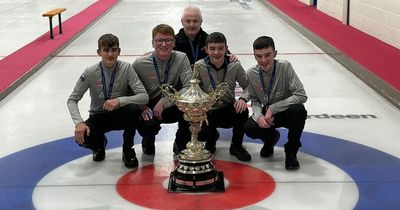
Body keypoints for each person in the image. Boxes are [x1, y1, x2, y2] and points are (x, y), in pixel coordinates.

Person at [67, 34, 149, 168]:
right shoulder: (90, 72)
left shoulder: (126, 68)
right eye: (106, 50)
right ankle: (99, 145)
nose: (110, 54)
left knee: (133, 110)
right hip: (99, 116)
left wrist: (120, 101)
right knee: (82, 137)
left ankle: (128, 150)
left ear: (119, 51)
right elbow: (72, 99)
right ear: (99, 52)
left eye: (114, 50)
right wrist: (79, 122)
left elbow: (144, 96)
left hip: (120, 114)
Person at [243, 36, 307, 170]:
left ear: (275, 54)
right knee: (249, 127)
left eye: (267, 55)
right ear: (254, 56)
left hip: (286, 112)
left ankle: (291, 151)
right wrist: (259, 116)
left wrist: (274, 108)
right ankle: (270, 139)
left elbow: (301, 95)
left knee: (299, 111)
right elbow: (254, 99)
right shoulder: (251, 73)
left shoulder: (285, 67)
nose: (263, 60)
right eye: (259, 56)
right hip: (268, 115)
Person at [132, 24, 193, 155]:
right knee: (147, 125)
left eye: (168, 40)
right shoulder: (139, 63)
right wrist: (141, 107)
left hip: (173, 103)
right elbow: (131, 92)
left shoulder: (182, 58)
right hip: (149, 106)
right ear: (152, 43)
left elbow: (189, 87)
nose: (164, 45)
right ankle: (148, 138)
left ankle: (181, 141)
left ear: (174, 43)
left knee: (190, 110)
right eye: (159, 40)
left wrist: (165, 101)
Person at [195, 32, 251, 161]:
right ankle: (210, 145)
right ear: (206, 49)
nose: (216, 52)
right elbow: (194, 91)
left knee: (242, 111)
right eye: (212, 48)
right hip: (207, 111)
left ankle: (236, 146)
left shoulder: (235, 65)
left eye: (220, 48)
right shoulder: (199, 66)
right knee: (200, 129)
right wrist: (199, 112)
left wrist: (243, 99)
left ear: (226, 49)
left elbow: (249, 87)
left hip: (227, 109)